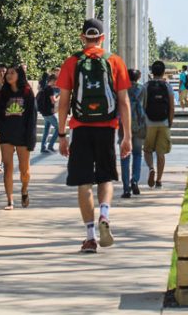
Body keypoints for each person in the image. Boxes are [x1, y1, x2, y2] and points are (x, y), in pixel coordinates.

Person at [56, 18, 132, 254]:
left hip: (80, 127)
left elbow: (63, 102)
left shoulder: (71, 62)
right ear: (102, 38)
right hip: (107, 127)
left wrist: (61, 134)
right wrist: (126, 136)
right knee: (106, 177)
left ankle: (89, 236)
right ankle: (105, 214)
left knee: (84, 182)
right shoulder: (114, 61)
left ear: (82, 38)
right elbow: (124, 102)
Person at [0, 65, 36, 210]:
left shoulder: (27, 92)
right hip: (6, 135)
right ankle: (10, 200)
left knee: (25, 170)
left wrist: (31, 137)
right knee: (7, 167)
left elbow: (32, 116)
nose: (9, 75)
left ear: (19, 75)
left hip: (23, 135)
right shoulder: (2, 94)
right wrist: (0, 126)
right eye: (7, 73)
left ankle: (24, 190)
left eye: (12, 73)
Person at [143, 60, 175, 191]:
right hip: (163, 122)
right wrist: (170, 122)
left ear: (152, 72)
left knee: (147, 150)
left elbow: (142, 106)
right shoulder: (168, 87)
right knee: (161, 153)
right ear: (163, 72)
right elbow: (172, 107)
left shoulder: (145, 86)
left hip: (149, 122)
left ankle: (151, 168)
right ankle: (159, 180)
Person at [120, 69, 147, 199]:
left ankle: (126, 188)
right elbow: (144, 105)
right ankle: (135, 180)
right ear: (139, 77)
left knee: (125, 156)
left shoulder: (122, 88)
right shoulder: (142, 89)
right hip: (139, 124)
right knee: (137, 154)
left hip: (124, 125)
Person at [38, 72, 60, 153]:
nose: (57, 83)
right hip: (49, 112)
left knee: (46, 129)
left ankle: (43, 148)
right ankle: (50, 146)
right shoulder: (50, 89)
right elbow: (53, 101)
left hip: (44, 112)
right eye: (56, 81)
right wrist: (59, 96)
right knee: (59, 128)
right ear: (53, 80)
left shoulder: (44, 87)